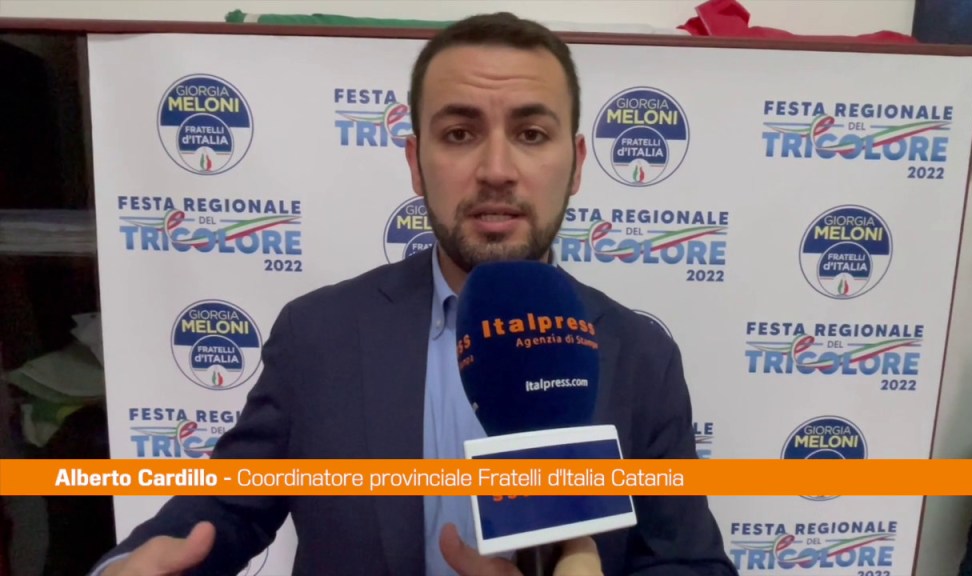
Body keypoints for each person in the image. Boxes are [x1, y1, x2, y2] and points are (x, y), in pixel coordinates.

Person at [91, 12, 737, 576]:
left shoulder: (640, 353)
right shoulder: (319, 334)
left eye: (531, 135)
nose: (496, 170)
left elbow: (686, 560)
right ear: (414, 161)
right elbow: (229, 506)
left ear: (576, 165)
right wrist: (133, 564)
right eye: (459, 134)